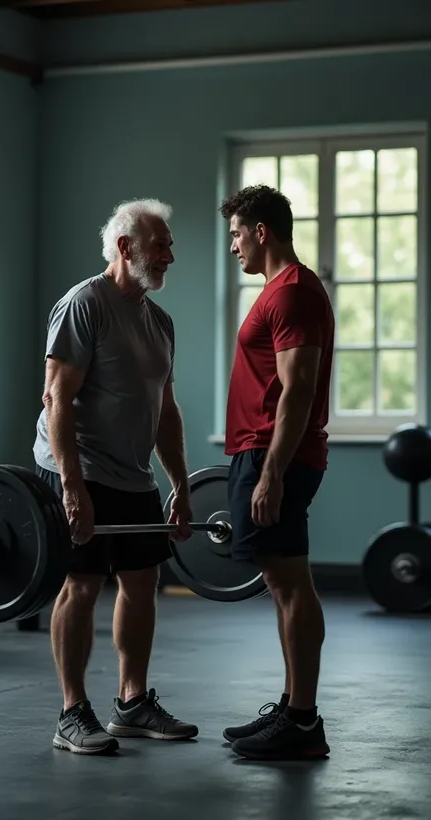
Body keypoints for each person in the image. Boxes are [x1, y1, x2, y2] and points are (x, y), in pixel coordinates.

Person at [33, 198, 199, 755]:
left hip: (133, 474)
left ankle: (131, 703)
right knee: (81, 584)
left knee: (142, 583)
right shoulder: (86, 305)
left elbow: (164, 411)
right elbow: (57, 397)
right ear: (126, 247)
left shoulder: (159, 322)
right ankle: (71, 712)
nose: (170, 255)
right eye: (162, 245)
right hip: (80, 465)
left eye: (170, 245)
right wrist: (72, 485)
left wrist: (178, 482)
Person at [219, 184, 335, 761]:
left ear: (261, 231)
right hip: (261, 451)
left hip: (273, 454)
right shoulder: (281, 291)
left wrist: (271, 474)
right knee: (280, 583)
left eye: (237, 234)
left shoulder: (290, 293)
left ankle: (302, 721)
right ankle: (293, 707)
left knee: (290, 586)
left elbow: (298, 391)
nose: (234, 246)